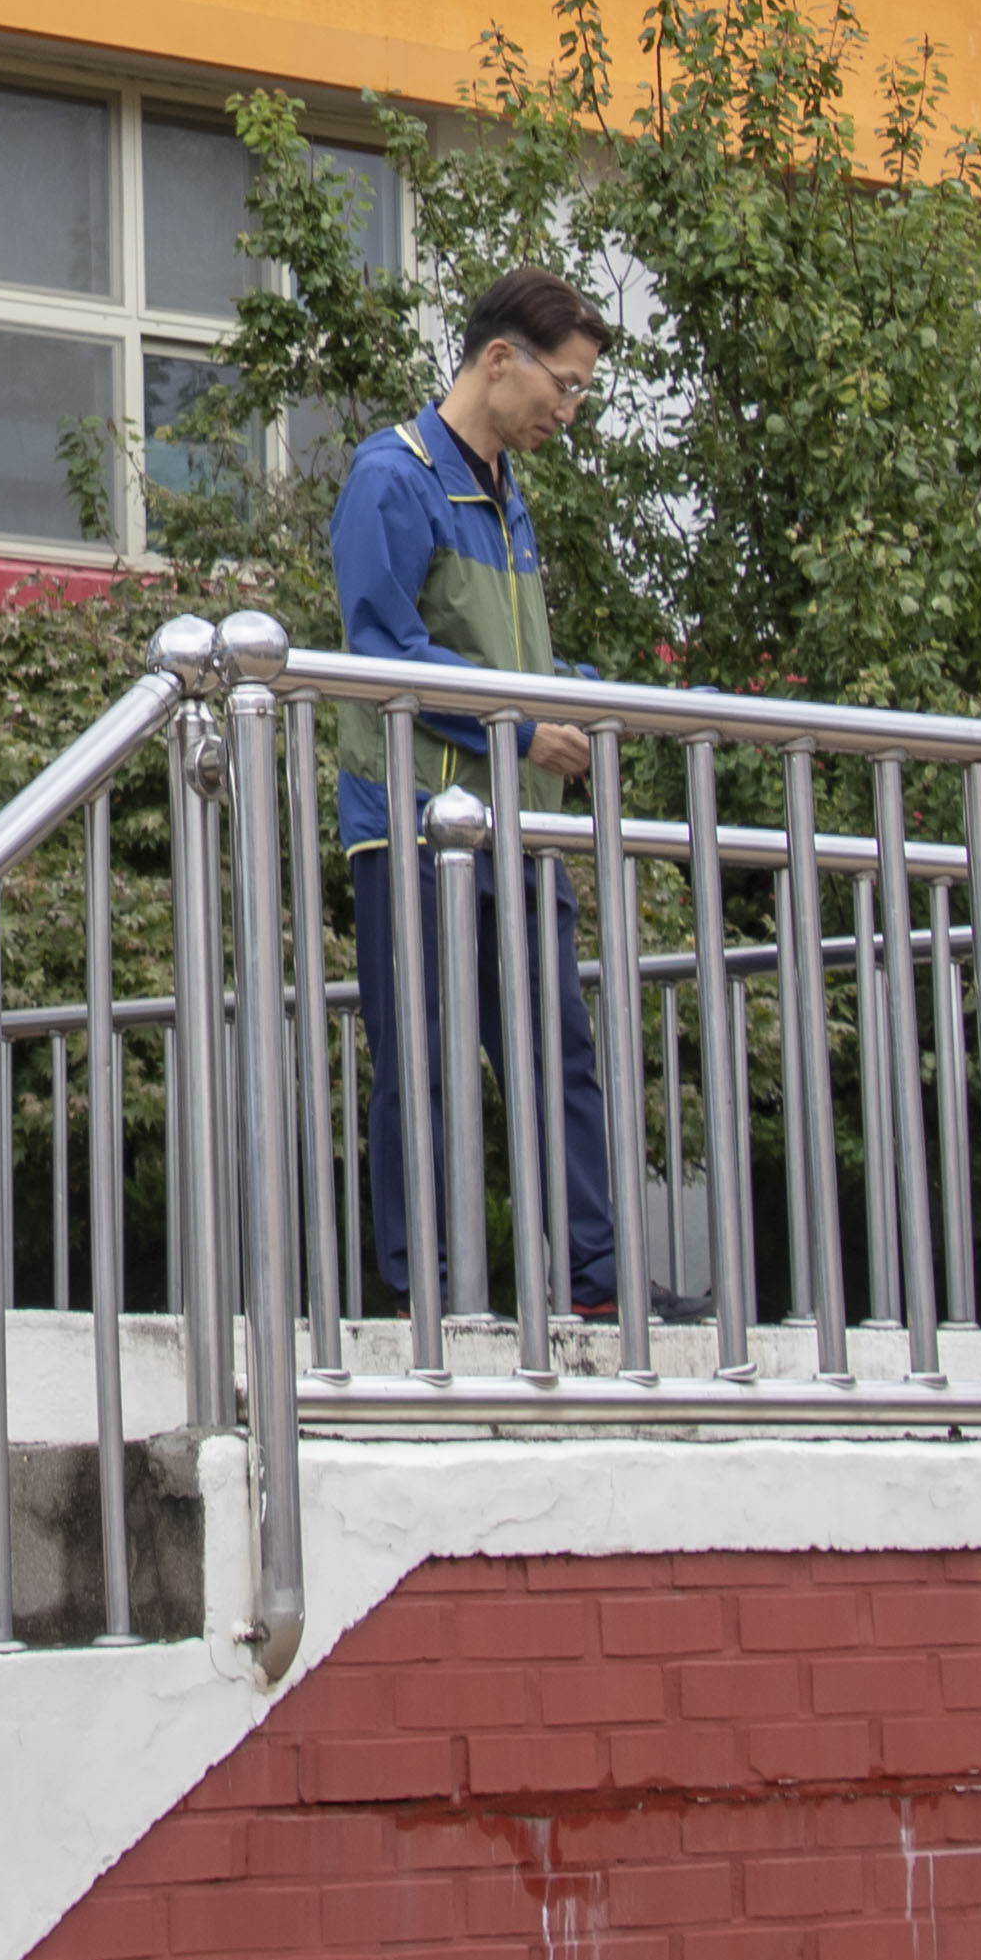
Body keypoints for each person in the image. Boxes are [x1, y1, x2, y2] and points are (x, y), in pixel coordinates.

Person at [331, 265, 620, 1319]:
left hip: (517, 827)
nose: (567, 410)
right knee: (424, 1063)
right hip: (413, 826)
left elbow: (509, 660)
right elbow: (386, 652)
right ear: (500, 360)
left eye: (581, 391)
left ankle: (596, 1285)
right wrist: (524, 729)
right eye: (565, 385)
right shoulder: (393, 476)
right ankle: (433, 1294)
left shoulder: (506, 497)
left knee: (559, 1054)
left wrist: (586, 699)